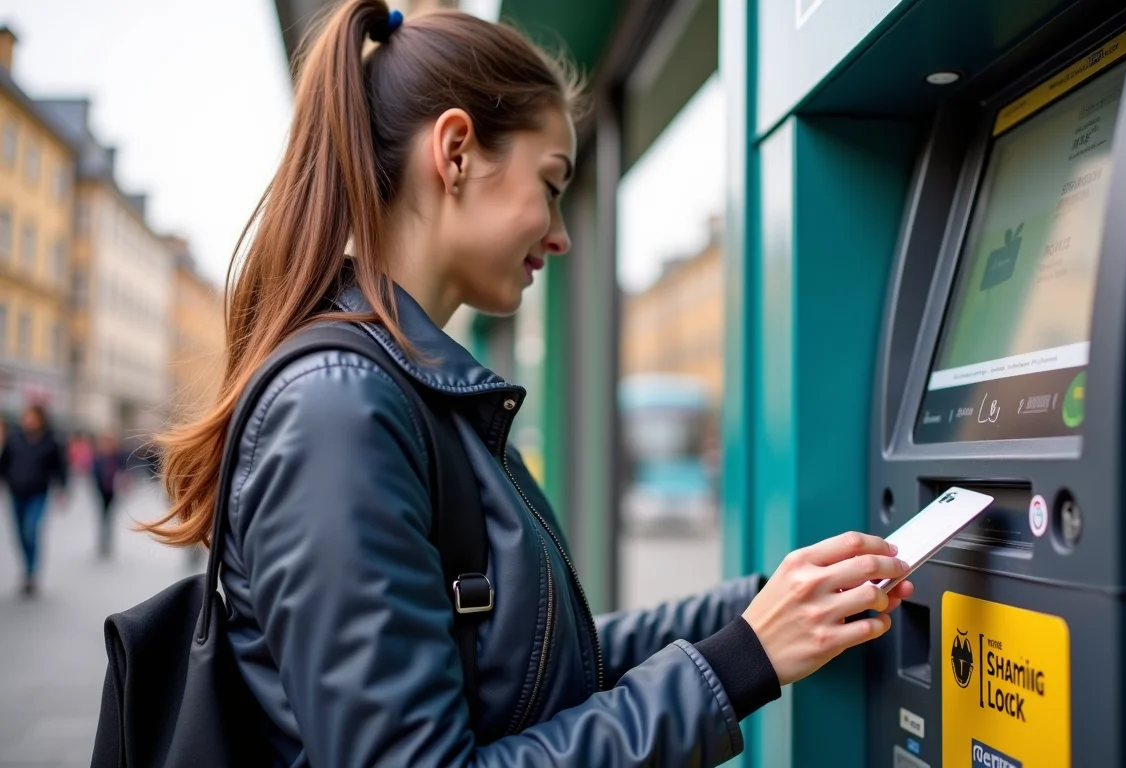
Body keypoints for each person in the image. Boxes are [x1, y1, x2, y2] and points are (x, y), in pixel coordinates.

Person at [140, 2, 915, 765]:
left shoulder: (410, 392)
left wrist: (763, 604)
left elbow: (538, 666)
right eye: (551, 182)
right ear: (454, 153)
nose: (562, 231)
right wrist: (743, 660)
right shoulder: (339, 408)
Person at [0, 404, 67, 597]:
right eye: (25, 416)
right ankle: (26, 566)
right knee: (20, 533)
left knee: (31, 529)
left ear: (40, 418)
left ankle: (31, 572)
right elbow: (4, 464)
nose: (28, 420)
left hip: (38, 493)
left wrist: (62, 489)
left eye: (31, 417)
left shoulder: (50, 441)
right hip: (16, 492)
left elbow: (60, 467)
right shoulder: (14, 439)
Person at [90, 433, 129, 559]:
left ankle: (108, 542)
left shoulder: (117, 456)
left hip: (113, 490)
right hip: (101, 490)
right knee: (103, 516)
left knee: (109, 516)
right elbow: (94, 472)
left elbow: (124, 470)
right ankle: (102, 542)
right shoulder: (98, 456)